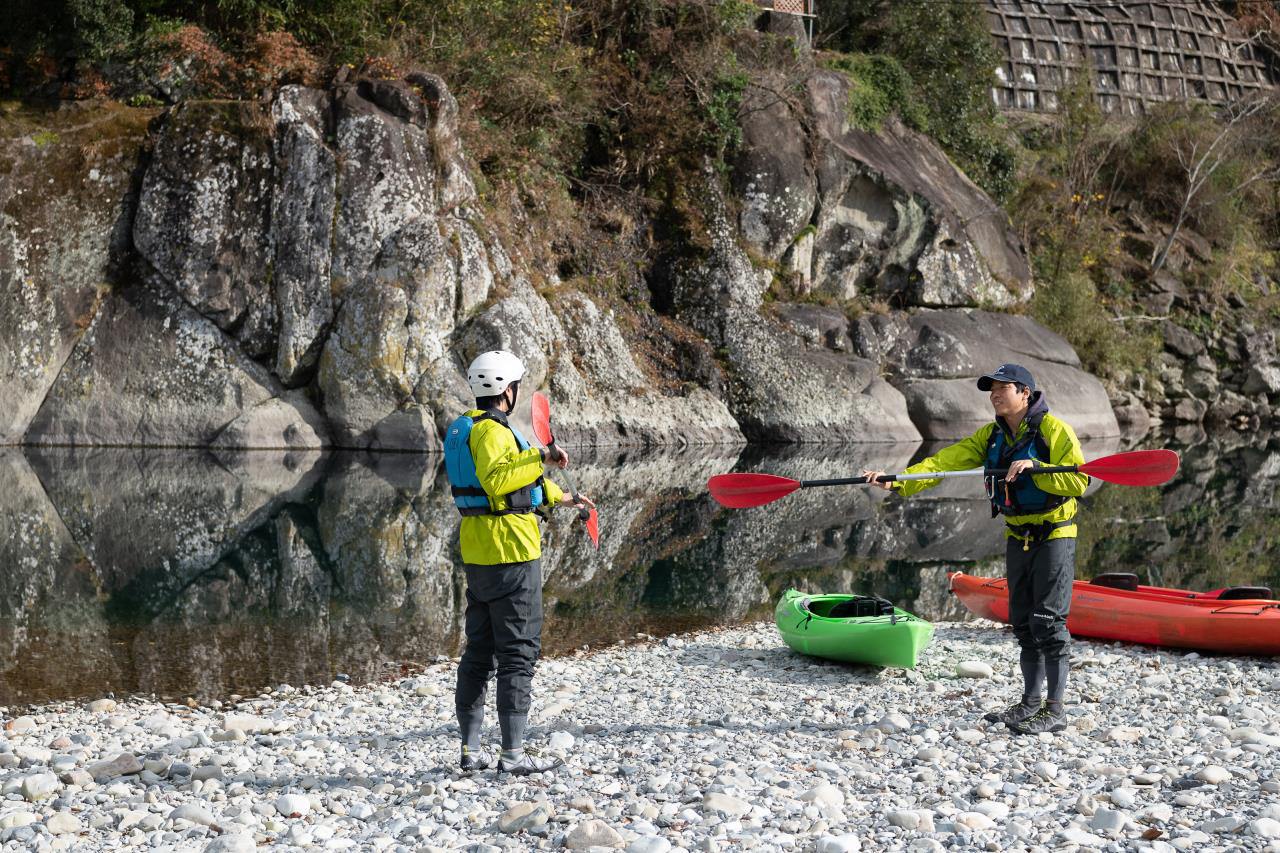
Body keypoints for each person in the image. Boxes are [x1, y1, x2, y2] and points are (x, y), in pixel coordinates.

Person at [863, 364, 1089, 735]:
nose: (995, 395)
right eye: (992, 390)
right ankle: (1029, 703)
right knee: (1023, 623)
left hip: (1055, 534)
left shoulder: (1053, 430)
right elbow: (943, 463)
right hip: (1019, 535)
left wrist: (1036, 466)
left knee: (1048, 622)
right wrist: (900, 481)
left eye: (1003, 389)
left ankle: (1056, 710)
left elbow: (1079, 480)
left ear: (1025, 394)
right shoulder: (991, 436)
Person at [444, 349, 595, 774]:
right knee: (517, 654)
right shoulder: (493, 433)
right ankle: (511, 756)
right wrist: (541, 458)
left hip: (478, 553)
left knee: (479, 652)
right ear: (506, 390)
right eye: (515, 386)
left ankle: (470, 752)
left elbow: (516, 484)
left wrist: (563, 497)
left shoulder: (466, 428)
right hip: (513, 553)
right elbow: (498, 479)